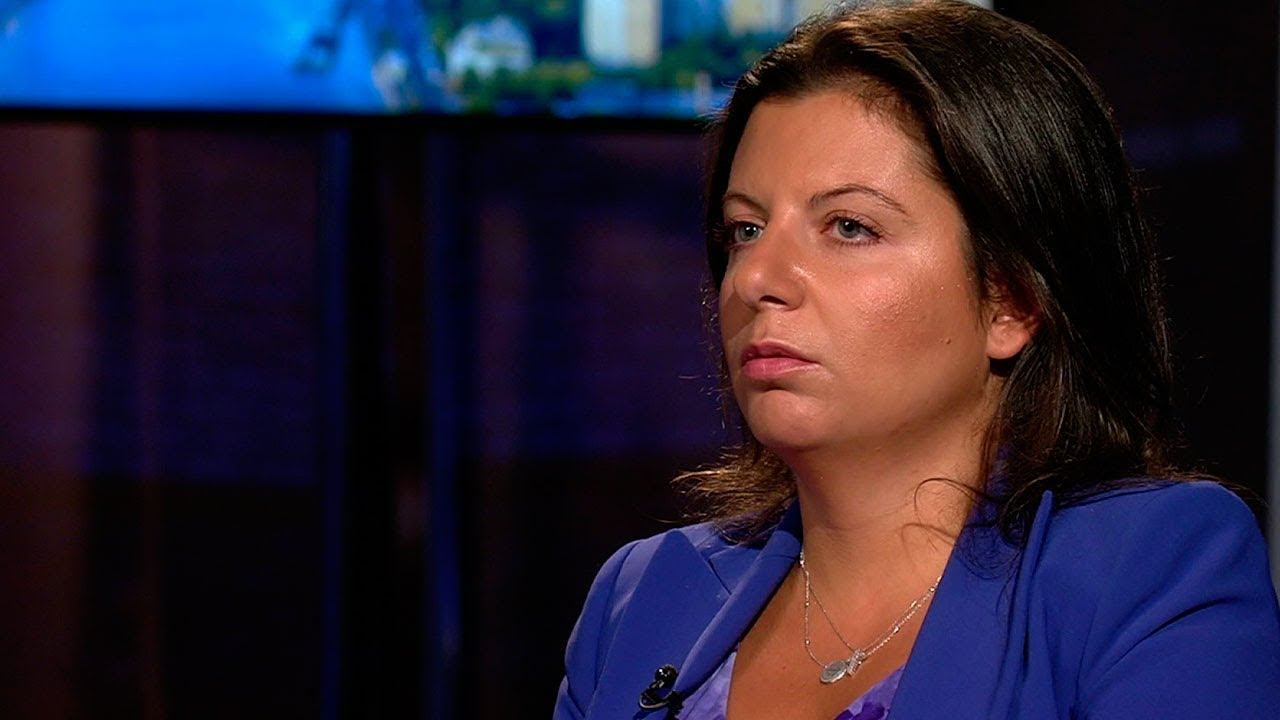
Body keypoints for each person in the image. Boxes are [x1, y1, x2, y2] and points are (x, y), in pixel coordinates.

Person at [553, 2, 1280, 718]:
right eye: (745, 229)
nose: (756, 278)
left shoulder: (1149, 569)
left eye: (849, 227)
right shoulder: (641, 596)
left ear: (1012, 300)